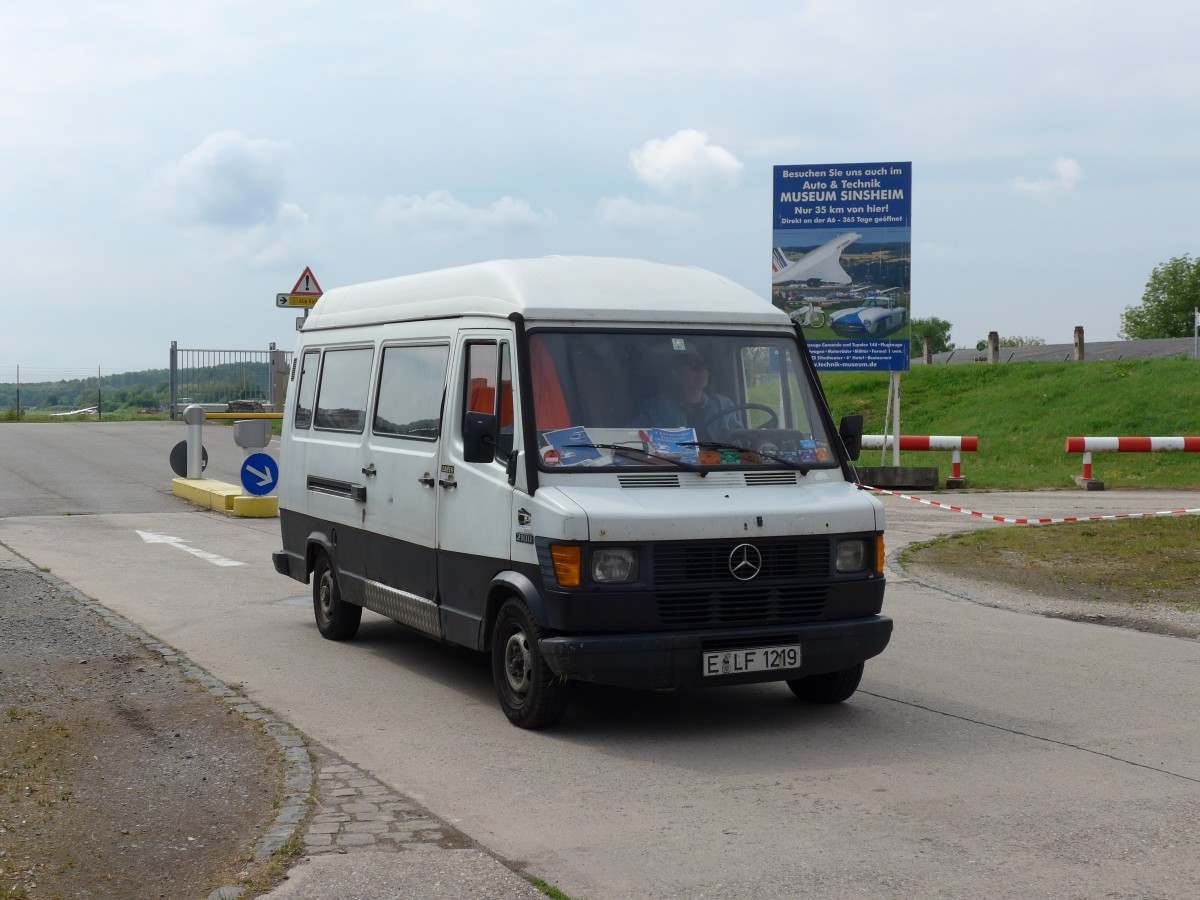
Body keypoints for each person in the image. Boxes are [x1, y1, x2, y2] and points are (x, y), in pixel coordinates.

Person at [638, 348, 742, 442]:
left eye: (704, 365)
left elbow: (741, 438)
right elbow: (636, 436)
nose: (702, 370)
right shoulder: (658, 407)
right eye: (694, 366)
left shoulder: (723, 404)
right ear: (676, 374)